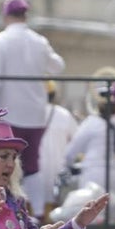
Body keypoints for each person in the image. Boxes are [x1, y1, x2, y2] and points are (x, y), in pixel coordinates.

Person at [0, 0, 66, 217]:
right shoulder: (39, 41)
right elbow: (58, 66)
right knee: (32, 164)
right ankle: (37, 213)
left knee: (4, 162)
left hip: (8, 114)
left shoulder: (0, 40)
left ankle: (5, 211)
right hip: (36, 114)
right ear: (25, 16)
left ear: (6, 16)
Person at [63, 67, 115, 220]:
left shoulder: (91, 123)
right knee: (111, 220)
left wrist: (67, 166)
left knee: (90, 219)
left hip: (93, 174)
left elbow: (70, 152)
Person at [39, 81, 79, 210]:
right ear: (54, 95)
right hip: (59, 173)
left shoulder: (28, 114)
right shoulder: (64, 114)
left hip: (34, 173)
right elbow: (77, 141)